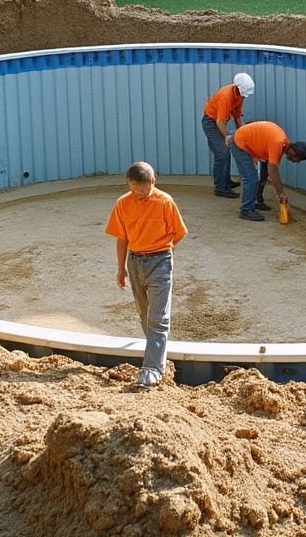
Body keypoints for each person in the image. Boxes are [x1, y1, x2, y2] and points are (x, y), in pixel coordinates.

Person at [104, 161, 188, 387]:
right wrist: (121, 268)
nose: (138, 195)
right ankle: (157, 351)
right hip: (134, 261)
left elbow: (179, 233)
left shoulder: (165, 202)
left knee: (158, 317)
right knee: (144, 313)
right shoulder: (122, 203)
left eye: (142, 190)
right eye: (133, 190)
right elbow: (122, 238)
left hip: (160, 260)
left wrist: (163, 250)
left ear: (153, 181)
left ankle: (152, 368)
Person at [230, 120, 306, 222]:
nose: (296, 162)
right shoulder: (279, 143)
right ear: (294, 153)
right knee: (251, 178)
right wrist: (280, 193)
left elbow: (267, 168)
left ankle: (257, 200)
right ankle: (246, 210)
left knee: (263, 172)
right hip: (240, 143)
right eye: (297, 160)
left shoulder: (284, 144)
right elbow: (273, 171)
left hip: (245, 138)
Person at [202, 73, 255, 198]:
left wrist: (241, 132)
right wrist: (227, 137)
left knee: (225, 151)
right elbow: (220, 122)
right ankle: (220, 187)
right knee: (223, 153)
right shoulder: (226, 96)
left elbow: (237, 115)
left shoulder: (240, 95)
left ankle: (226, 182)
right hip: (211, 123)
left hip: (217, 122)